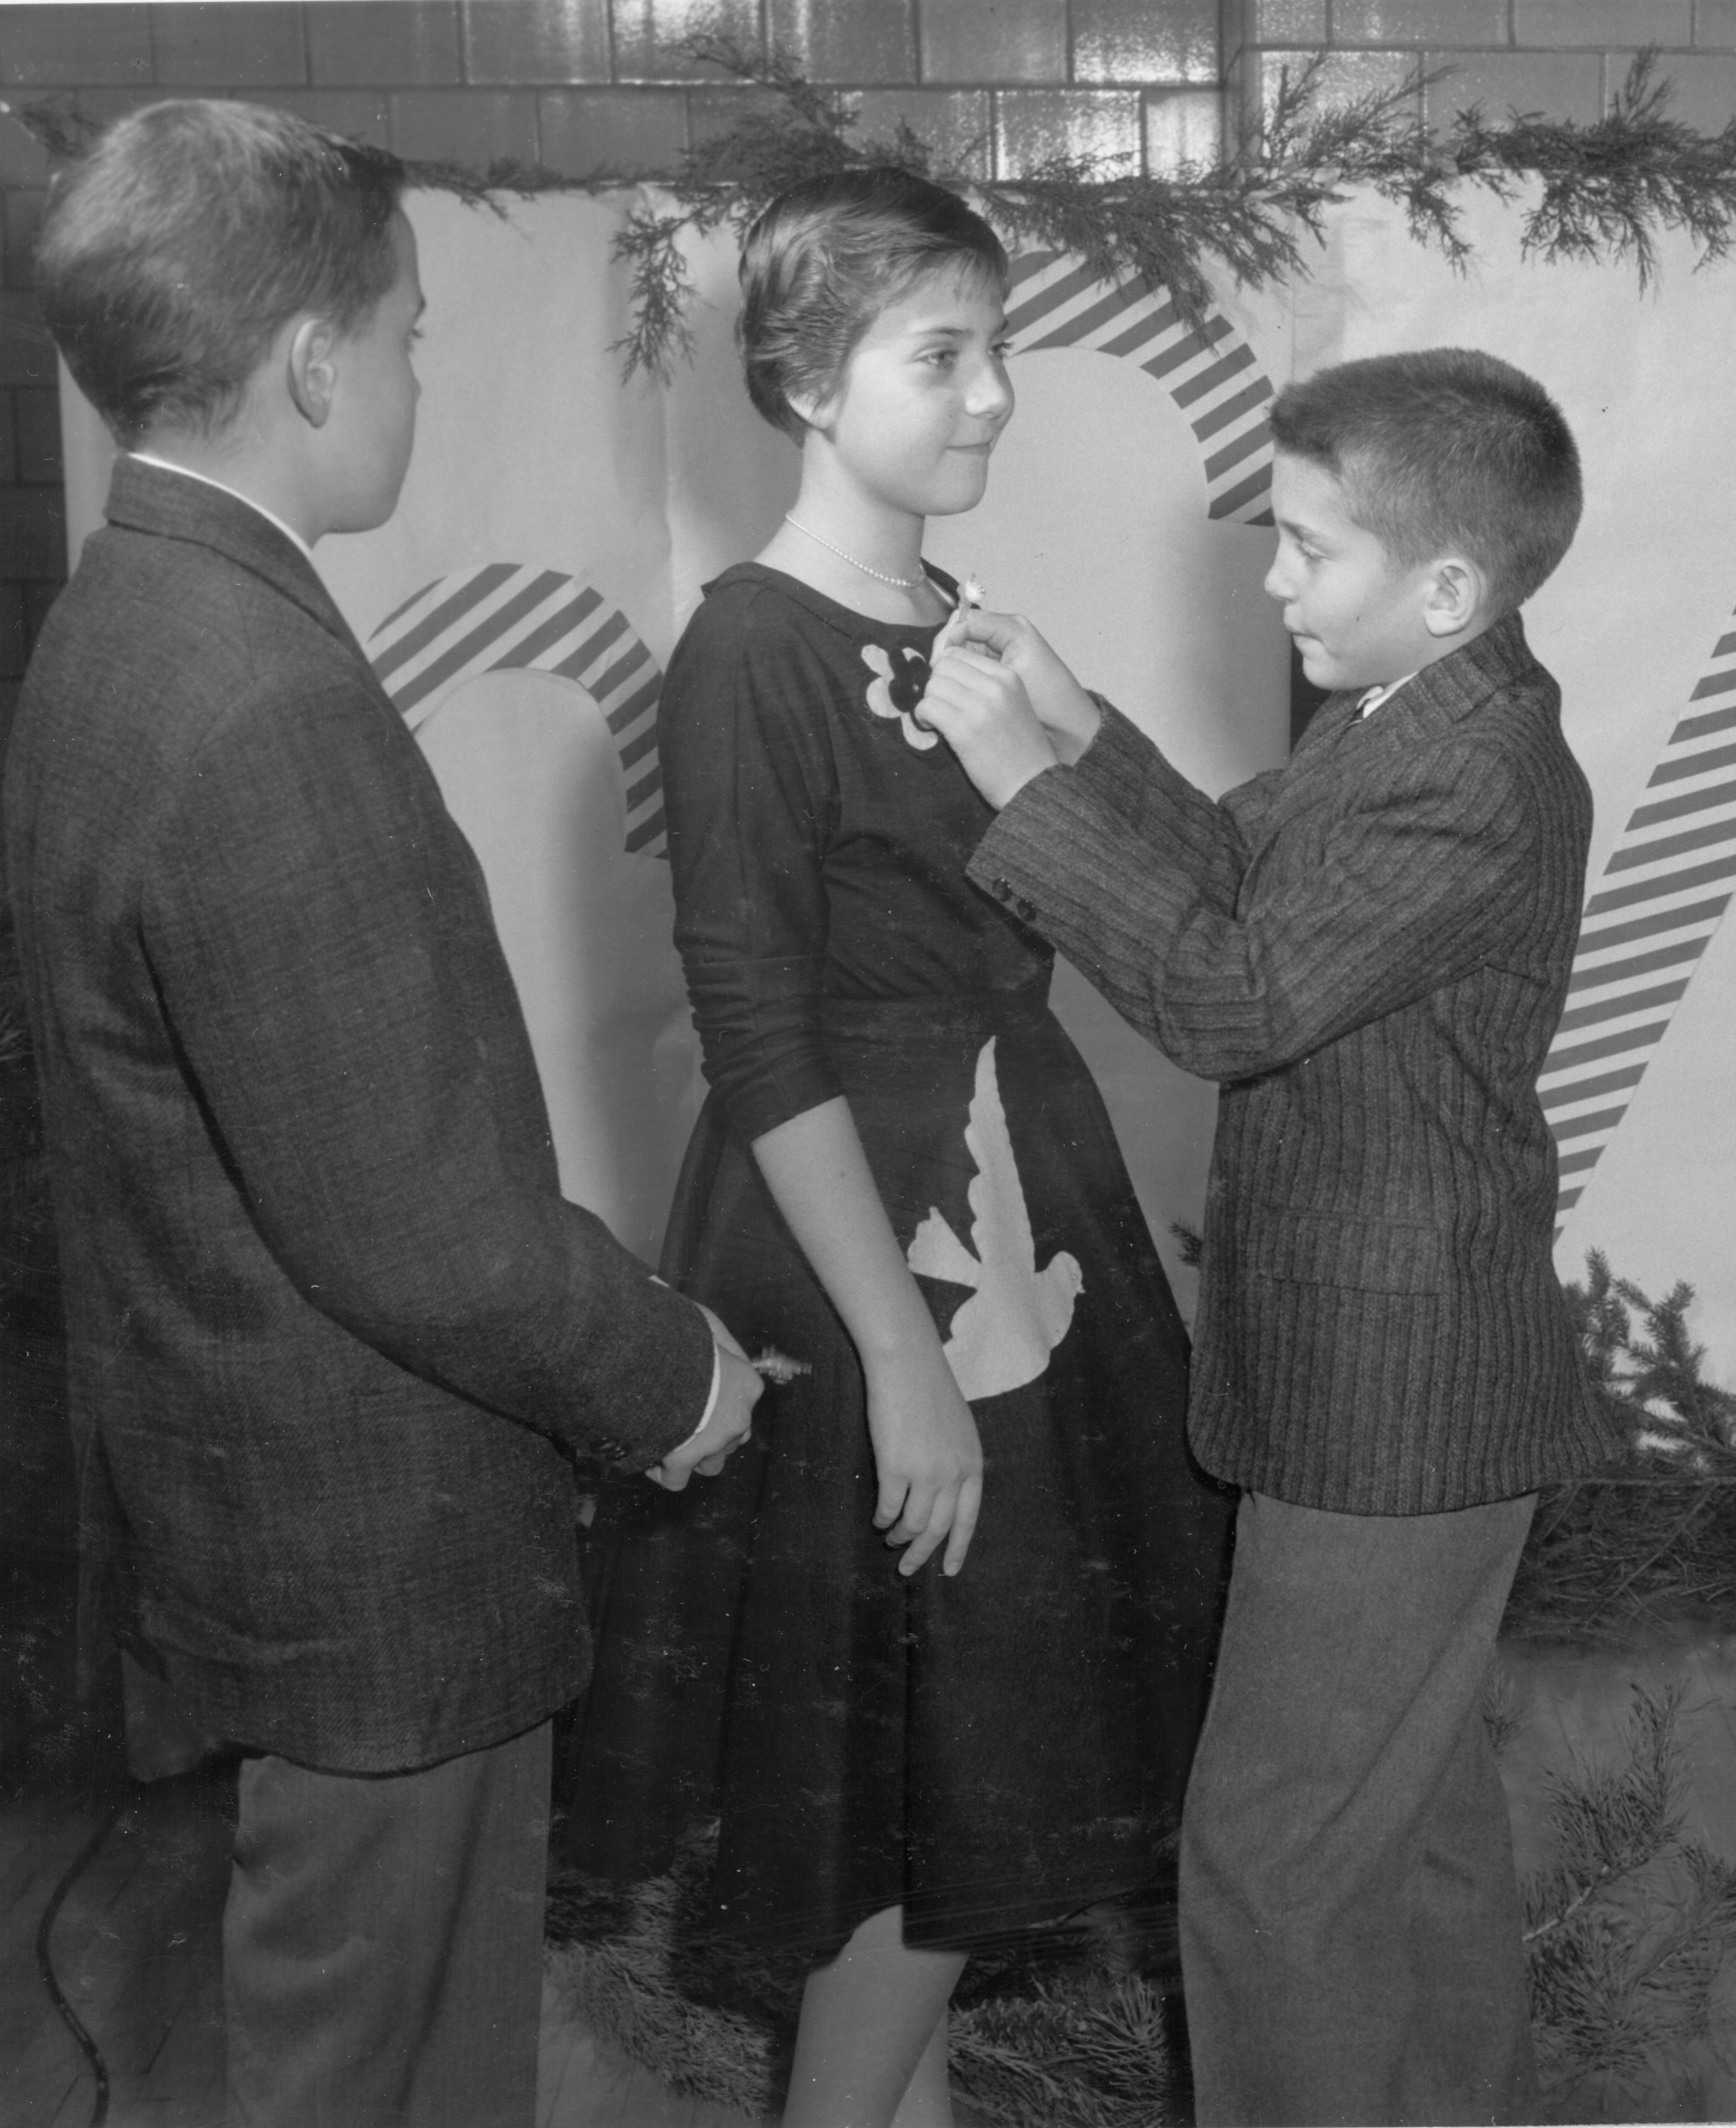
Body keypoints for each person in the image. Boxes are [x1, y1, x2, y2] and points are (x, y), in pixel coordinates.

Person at [10, 101, 762, 2128]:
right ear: (315, 363)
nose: (420, 375)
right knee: (379, 2069)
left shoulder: (128, 615)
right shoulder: (257, 694)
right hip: (373, 1563)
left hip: (275, 1512)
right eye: (411, 334)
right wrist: (671, 1370)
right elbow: (417, 1225)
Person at [559, 168, 1232, 2128]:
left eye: (998, 349)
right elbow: (762, 1038)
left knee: (937, 1785)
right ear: (803, 382)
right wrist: (902, 1362)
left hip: (1016, 1193)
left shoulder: (961, 623)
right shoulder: (748, 654)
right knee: (929, 1781)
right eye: (941, 357)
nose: (993, 393)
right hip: (874, 1251)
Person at [915, 346, 1618, 2127]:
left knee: (1270, 1866)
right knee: (1416, 1839)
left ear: (1445, 588)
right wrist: (1079, 734)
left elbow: (1235, 997)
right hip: (1396, 1388)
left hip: (1399, 1409)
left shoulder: (1479, 774)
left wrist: (1017, 790)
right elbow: (1247, 875)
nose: (1274, 581)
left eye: (1311, 548)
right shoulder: (1412, 717)